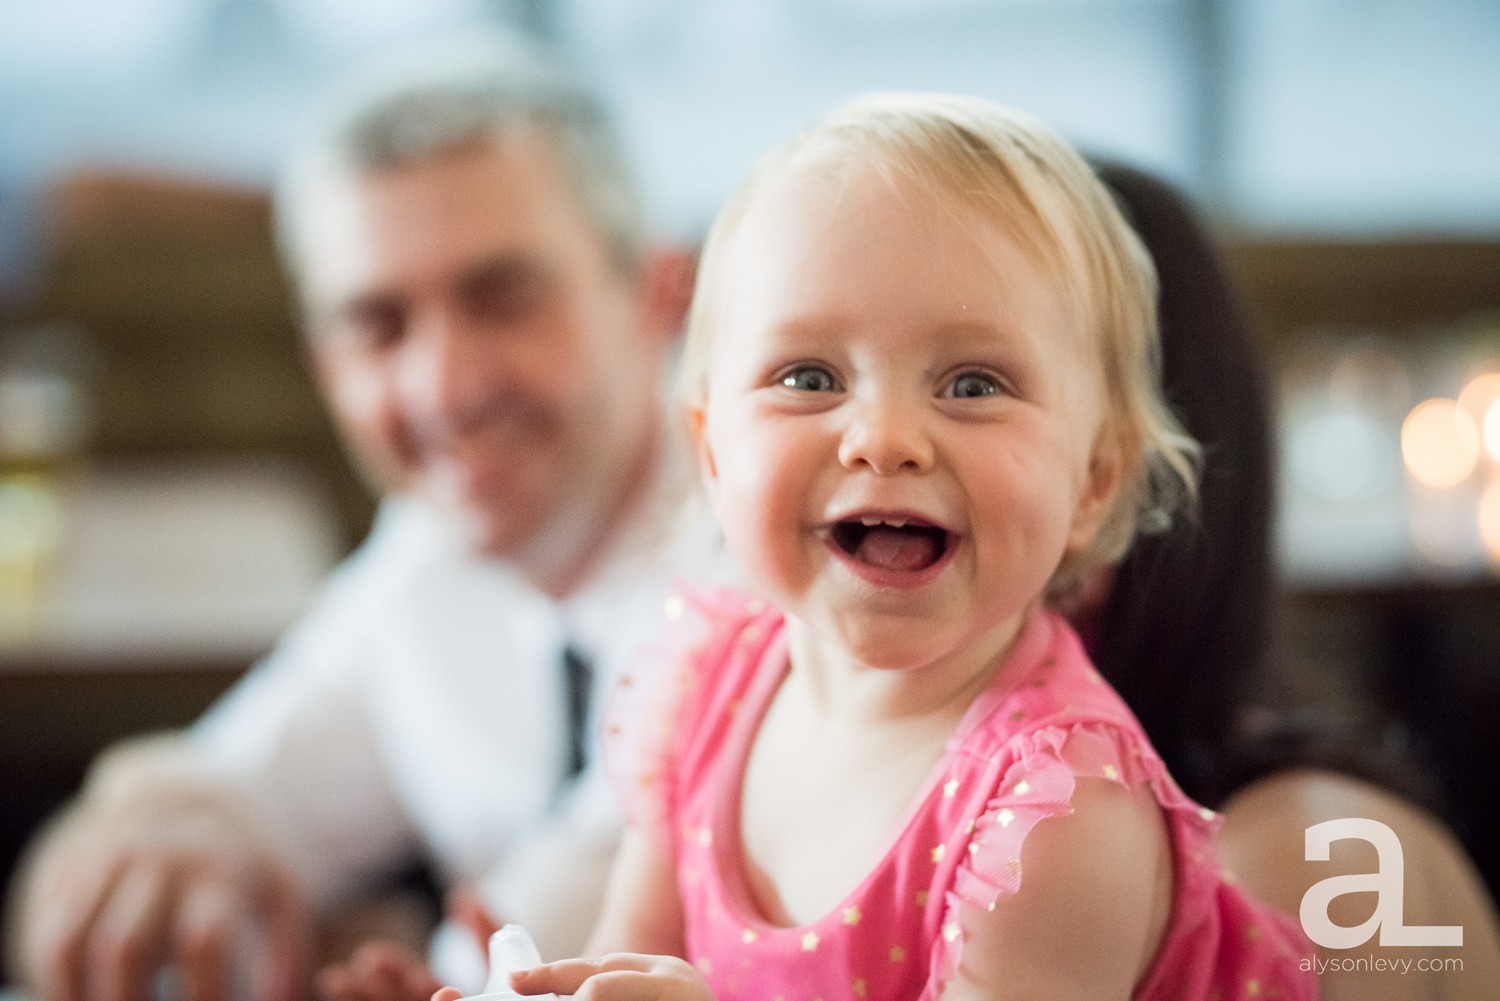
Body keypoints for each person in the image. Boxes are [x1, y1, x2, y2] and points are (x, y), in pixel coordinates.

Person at [480, 92, 1318, 1001]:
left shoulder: (1058, 815)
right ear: (713, 452)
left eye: (971, 382)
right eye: (809, 376)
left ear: (1093, 480)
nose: (883, 436)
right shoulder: (706, 689)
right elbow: (624, 954)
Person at [5, 32, 727, 1001]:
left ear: (654, 295)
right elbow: (216, 794)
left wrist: (383, 941)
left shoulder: (773, 552)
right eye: (377, 325)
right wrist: (143, 834)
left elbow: (578, 927)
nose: (444, 386)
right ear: (324, 364)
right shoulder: (428, 555)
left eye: (503, 299)